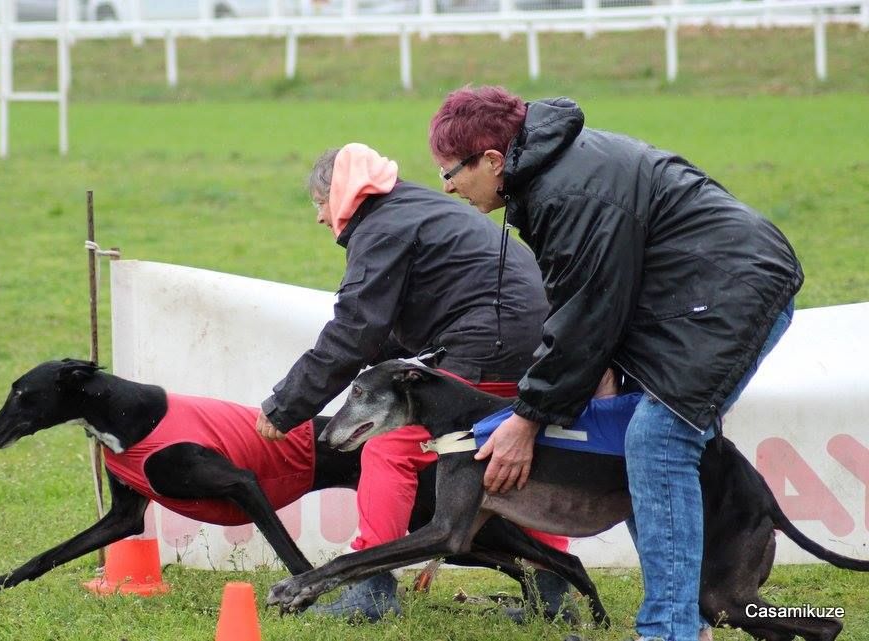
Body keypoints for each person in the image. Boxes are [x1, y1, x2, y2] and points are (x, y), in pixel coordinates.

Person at [427, 87, 803, 641]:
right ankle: (752, 617)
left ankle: (670, 630)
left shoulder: (566, 191)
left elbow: (586, 316)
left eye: (450, 171)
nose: (447, 185)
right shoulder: (548, 176)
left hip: (730, 296)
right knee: (643, 444)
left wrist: (527, 420)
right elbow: (585, 303)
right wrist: (590, 381)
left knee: (656, 442)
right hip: (681, 302)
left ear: (493, 160)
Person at [255, 142, 571, 622]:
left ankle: (370, 590)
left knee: (389, 448)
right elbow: (384, 332)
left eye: (319, 204)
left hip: (490, 341)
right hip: (537, 343)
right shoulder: (416, 208)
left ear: (339, 193)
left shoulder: (382, 226)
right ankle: (554, 594)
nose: (320, 218)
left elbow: (354, 332)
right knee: (517, 455)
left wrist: (284, 406)